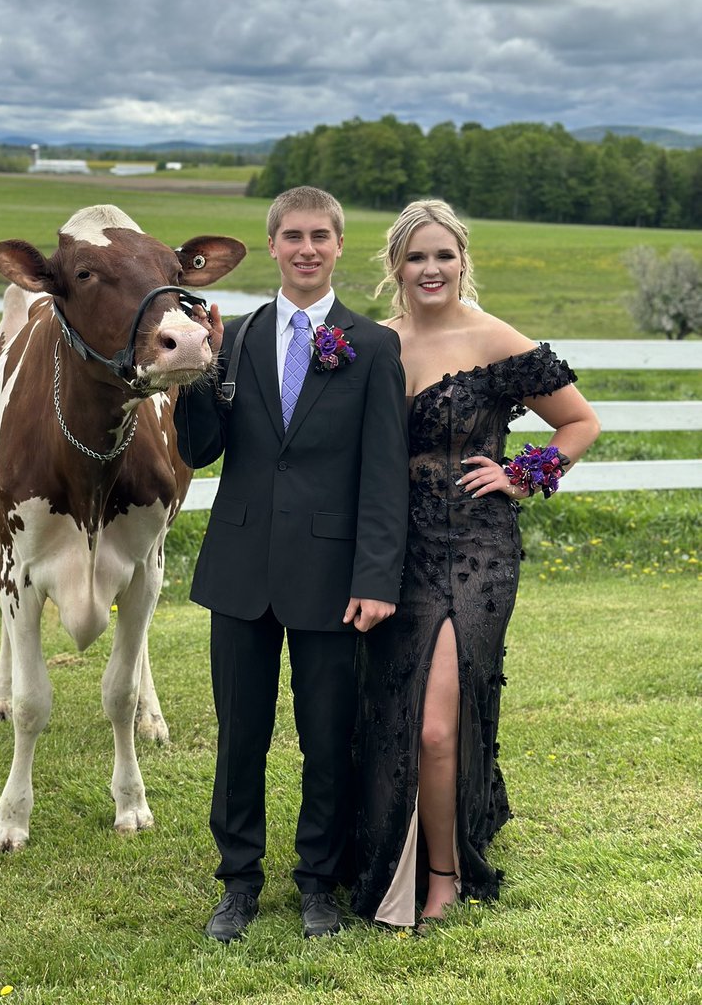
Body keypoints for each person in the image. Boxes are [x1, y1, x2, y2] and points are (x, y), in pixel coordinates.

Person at [352, 199, 600, 930]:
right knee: (392, 711)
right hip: (395, 553)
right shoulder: (374, 343)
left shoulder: (493, 339)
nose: (431, 269)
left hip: (476, 552)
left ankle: (444, 876)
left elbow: (580, 421)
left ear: (463, 260)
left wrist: (525, 474)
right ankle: (383, 858)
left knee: (436, 725)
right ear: (395, 264)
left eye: (444, 255)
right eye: (416, 256)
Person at [175, 185, 409, 942]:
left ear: (339, 246)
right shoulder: (235, 336)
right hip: (240, 570)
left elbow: (383, 475)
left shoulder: (371, 346)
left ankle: (317, 884)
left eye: (320, 236)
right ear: (272, 245)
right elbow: (198, 449)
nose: (306, 248)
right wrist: (199, 375)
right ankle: (238, 882)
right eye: (292, 236)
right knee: (239, 736)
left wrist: (376, 578)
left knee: (324, 737)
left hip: (332, 579)